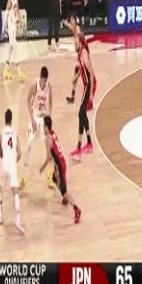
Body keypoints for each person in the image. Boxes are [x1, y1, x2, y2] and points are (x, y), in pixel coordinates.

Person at [40, 116, 82, 224]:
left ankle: (76, 209)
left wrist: (42, 168)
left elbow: (49, 157)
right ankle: (65, 197)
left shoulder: (47, 139)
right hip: (62, 162)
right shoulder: (53, 133)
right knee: (54, 179)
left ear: (46, 127)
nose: (42, 128)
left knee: (64, 191)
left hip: (59, 165)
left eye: (43, 126)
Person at [0, 109, 25, 234]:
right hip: (12, 164)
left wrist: (0, 152)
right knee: (15, 191)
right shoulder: (15, 134)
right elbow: (20, 154)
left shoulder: (1, 133)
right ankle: (18, 218)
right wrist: (13, 162)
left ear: (4, 119)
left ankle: (0, 215)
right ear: (11, 120)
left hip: (4, 163)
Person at [22, 67, 53, 186]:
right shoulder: (34, 85)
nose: (44, 83)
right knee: (29, 145)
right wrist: (32, 119)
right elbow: (27, 101)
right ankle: (23, 176)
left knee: (49, 148)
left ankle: (50, 177)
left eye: (45, 81)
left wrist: (49, 118)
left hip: (44, 117)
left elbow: (51, 103)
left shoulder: (49, 86)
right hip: (35, 116)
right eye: (43, 81)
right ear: (40, 78)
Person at [70, 33, 96, 162]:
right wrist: (75, 78)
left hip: (89, 85)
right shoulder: (80, 53)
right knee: (82, 114)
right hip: (86, 86)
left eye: (76, 43)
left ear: (80, 42)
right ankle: (89, 144)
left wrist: (91, 93)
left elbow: (91, 73)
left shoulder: (84, 54)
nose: (74, 45)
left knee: (81, 114)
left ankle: (79, 149)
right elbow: (82, 69)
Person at [63, 13, 89, 104]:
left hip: (82, 55)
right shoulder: (74, 28)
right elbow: (70, 27)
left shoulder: (77, 29)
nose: (71, 21)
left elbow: (80, 35)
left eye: (72, 20)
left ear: (75, 20)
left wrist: (79, 39)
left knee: (81, 79)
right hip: (79, 55)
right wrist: (65, 22)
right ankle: (73, 96)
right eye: (70, 20)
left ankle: (87, 98)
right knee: (77, 78)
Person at [2, 0, 25, 82]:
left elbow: (18, 10)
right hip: (10, 26)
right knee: (15, 47)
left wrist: (20, 20)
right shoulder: (9, 1)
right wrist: (3, 29)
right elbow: (6, 14)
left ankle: (5, 70)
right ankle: (19, 72)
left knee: (11, 49)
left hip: (14, 25)